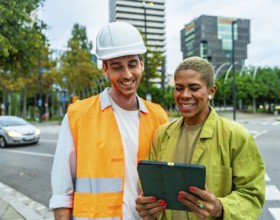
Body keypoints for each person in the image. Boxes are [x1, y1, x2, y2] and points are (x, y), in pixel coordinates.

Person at [49, 21, 168, 220]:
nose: (127, 74)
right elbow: (62, 191)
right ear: (105, 68)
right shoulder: (78, 115)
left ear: (142, 64)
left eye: (132, 64)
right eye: (117, 67)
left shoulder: (159, 116)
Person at [135, 56, 265, 219]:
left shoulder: (236, 136)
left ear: (212, 91)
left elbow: (252, 195)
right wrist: (147, 205)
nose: (185, 95)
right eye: (179, 88)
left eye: (194, 88)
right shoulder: (162, 135)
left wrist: (220, 208)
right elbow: (149, 185)